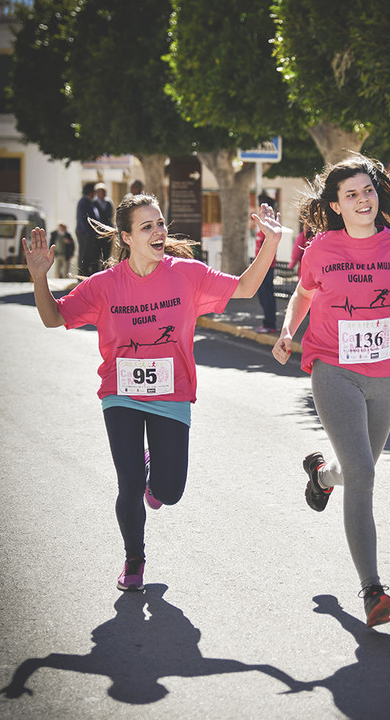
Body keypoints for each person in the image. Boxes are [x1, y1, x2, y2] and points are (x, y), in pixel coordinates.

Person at [22, 193, 281, 592]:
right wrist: (39, 278)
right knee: (127, 483)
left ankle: (154, 479)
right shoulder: (104, 286)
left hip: (172, 393)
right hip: (120, 392)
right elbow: (53, 317)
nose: (159, 232)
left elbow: (246, 288)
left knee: (169, 491)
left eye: (160, 223)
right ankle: (134, 560)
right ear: (126, 237)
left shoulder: (187, 275)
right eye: (147, 227)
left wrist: (271, 242)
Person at [271, 155, 390, 628]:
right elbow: (303, 293)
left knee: (356, 471)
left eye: (368, 190)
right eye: (351, 194)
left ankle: (322, 476)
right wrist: (288, 331)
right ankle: (372, 590)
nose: (363, 199)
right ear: (336, 205)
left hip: (386, 374)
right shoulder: (322, 248)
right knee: (364, 472)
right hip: (332, 367)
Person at [254, 192, 278, 334]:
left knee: (266, 295)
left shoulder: (268, 227)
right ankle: (268, 322)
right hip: (263, 265)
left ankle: (269, 323)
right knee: (264, 294)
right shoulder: (264, 226)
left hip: (266, 266)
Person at [75, 183, 101, 277]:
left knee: (90, 255)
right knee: (85, 255)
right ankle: (83, 274)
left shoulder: (89, 202)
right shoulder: (84, 202)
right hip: (85, 233)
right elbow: (83, 219)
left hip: (89, 233)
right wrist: (88, 232)